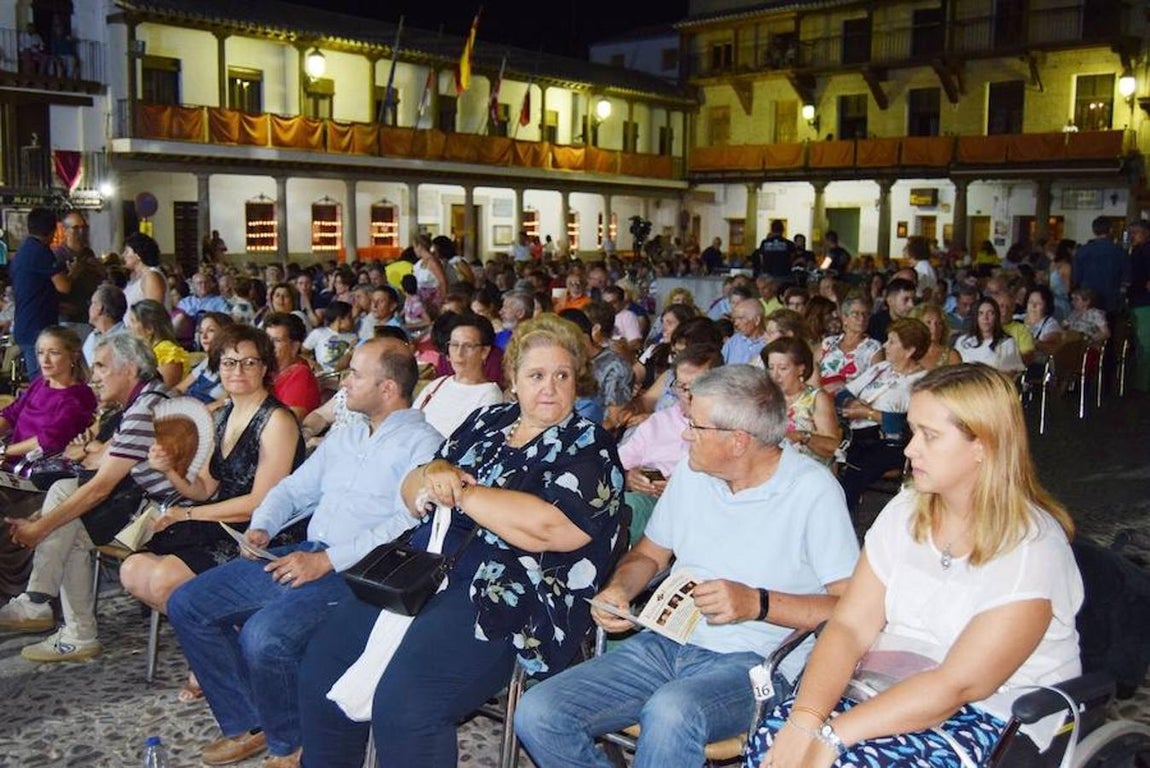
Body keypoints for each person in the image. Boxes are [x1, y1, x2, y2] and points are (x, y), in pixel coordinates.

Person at [296, 313, 625, 768]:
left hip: (507, 593)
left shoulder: (589, 445)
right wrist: (431, 474)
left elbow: (554, 529)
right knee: (320, 669)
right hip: (422, 568)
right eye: (535, 375)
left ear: (577, 381)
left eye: (561, 375)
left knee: (407, 704)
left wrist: (463, 492)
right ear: (512, 379)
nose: (548, 387)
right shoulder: (488, 420)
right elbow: (413, 490)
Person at [515, 365, 858, 768]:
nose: (685, 434)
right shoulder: (694, 476)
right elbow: (648, 555)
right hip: (666, 642)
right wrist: (621, 589)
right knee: (539, 713)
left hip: (754, 663)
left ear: (737, 441)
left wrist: (757, 603)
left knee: (672, 712)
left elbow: (849, 608)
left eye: (695, 425)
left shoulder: (811, 491)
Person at [746, 364, 1083, 768]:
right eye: (912, 430)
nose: (909, 449)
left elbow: (955, 686)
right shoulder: (906, 510)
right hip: (888, 682)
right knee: (774, 740)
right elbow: (851, 625)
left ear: (983, 445)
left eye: (930, 436)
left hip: (994, 711)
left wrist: (831, 736)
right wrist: (805, 722)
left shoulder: (1031, 549)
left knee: (846, 762)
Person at [165, 338, 443, 767]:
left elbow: (405, 525)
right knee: (189, 602)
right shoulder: (347, 436)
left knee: (265, 637)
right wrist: (262, 525)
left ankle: (290, 743)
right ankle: (252, 721)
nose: (344, 382)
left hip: (360, 572)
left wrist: (327, 561)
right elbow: (295, 489)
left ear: (388, 388)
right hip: (308, 551)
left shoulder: (423, 445)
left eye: (355, 374)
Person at [0, 335, 175, 661]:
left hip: (166, 516)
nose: (93, 375)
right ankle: (64, 623)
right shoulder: (146, 399)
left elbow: (101, 485)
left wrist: (40, 528)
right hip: (141, 503)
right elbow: (96, 462)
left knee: (66, 509)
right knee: (67, 511)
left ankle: (44, 606)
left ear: (130, 370)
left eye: (101, 366)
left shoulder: (146, 408)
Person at [121, 324, 305, 615]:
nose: (238, 370)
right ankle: (214, 633)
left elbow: (259, 503)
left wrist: (186, 514)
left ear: (264, 367)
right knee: (131, 570)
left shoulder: (277, 420)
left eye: (249, 362)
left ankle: (216, 636)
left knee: (163, 579)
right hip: (220, 521)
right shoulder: (221, 416)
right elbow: (204, 487)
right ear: (218, 367)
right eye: (229, 362)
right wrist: (170, 470)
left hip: (260, 532)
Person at [618, 344, 723, 540]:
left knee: (629, 508)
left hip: (697, 511)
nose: (687, 394)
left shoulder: (728, 426)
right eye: (681, 386)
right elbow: (617, 465)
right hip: (649, 500)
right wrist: (629, 478)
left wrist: (681, 488)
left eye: (696, 386)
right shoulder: (658, 422)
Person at [836, 318, 931, 516]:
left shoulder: (922, 381)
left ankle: (837, 516)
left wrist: (866, 413)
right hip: (853, 434)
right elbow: (843, 394)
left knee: (855, 469)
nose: (885, 345)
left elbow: (904, 423)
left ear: (910, 350)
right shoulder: (881, 368)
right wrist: (853, 404)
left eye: (892, 341)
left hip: (888, 443)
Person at [414, 313, 503, 438]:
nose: (459, 353)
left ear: (484, 351)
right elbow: (411, 422)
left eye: (468, 346)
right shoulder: (438, 384)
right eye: (454, 345)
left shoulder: (489, 395)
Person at [11, 207, 70, 378]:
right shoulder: (41, 252)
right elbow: (63, 286)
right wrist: (76, 271)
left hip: (26, 324)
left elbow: (35, 289)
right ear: (53, 231)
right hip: (37, 329)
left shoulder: (22, 252)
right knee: (43, 383)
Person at [763, 338, 841, 465]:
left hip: (808, 472)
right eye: (771, 368)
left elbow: (832, 447)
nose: (775, 375)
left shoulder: (817, 399)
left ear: (801, 369)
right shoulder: (767, 398)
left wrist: (802, 436)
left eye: (783, 368)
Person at [264, 312, 322, 421]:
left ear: (294, 347)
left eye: (277, 341)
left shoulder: (300, 373)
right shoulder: (267, 369)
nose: (268, 345)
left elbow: (288, 422)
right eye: (266, 339)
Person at [54, 211, 104, 337]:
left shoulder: (88, 253)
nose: (81, 232)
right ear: (65, 230)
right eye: (75, 228)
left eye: (84, 227)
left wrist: (100, 269)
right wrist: (74, 273)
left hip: (89, 317)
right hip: (69, 319)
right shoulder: (58, 256)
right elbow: (56, 289)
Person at [819, 296, 882, 393]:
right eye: (855, 314)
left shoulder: (874, 347)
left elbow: (877, 381)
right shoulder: (828, 343)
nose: (861, 318)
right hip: (821, 394)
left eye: (866, 314)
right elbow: (811, 371)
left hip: (851, 397)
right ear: (845, 318)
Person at [127, 299, 189, 388]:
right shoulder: (146, 350)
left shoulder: (167, 351)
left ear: (149, 328)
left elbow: (164, 390)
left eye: (133, 321)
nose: (129, 326)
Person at [175, 312, 234, 407]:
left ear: (226, 333)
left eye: (211, 330)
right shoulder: (206, 362)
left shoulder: (233, 366)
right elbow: (179, 389)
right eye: (201, 332)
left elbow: (228, 400)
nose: (204, 336)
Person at [1072, 215, 1126, 314]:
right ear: (1110, 230)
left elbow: (1076, 278)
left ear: (1094, 231)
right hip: (1111, 297)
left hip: (1088, 298)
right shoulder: (1119, 251)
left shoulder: (1083, 250)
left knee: (1088, 327)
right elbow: (1125, 278)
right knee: (1109, 326)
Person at [956, 298, 1025, 373]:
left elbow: (1014, 372)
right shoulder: (962, 341)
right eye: (981, 313)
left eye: (990, 313)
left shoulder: (1007, 343)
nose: (985, 318)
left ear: (996, 317)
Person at [1127, 219, 1150, 391]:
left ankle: (1144, 383)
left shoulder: (1143, 251)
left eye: (1135, 232)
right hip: (1138, 300)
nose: (1132, 236)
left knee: (1144, 344)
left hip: (1143, 301)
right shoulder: (1138, 250)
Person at [82, 284, 128, 366]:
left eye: (92, 303)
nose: (89, 308)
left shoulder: (126, 340)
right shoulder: (92, 337)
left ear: (99, 307)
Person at [122, 232, 168, 309]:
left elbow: (153, 311)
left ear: (138, 255)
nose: (123, 255)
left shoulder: (151, 277)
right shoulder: (137, 276)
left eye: (127, 252)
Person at [867, 278, 916, 343]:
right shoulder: (874, 325)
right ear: (890, 301)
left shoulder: (916, 323)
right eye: (906, 300)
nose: (911, 305)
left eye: (914, 300)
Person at [914, 303, 961, 370]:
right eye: (928, 323)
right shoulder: (907, 353)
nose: (934, 328)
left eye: (938, 323)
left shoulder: (951, 356)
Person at [723, 298, 770, 365]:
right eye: (735, 319)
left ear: (757, 320)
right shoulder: (732, 342)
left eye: (741, 318)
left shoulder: (769, 342)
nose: (736, 323)